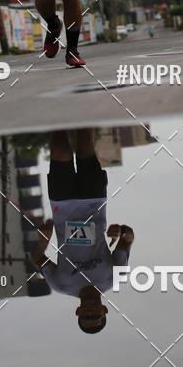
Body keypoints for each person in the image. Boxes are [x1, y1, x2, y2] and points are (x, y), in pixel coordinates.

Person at [29, 129, 134, 333]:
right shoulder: (115, 277)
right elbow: (128, 239)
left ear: (78, 312)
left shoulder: (61, 285)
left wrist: (43, 240)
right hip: (93, 199)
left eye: (85, 316)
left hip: (62, 204)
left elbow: (36, 258)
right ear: (104, 309)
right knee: (85, 145)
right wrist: (119, 231)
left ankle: (55, 111)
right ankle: (82, 106)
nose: (90, 312)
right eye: (95, 315)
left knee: (61, 150)